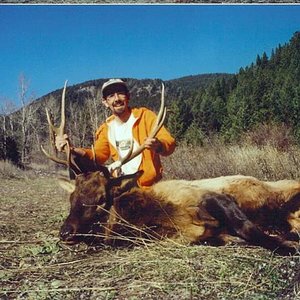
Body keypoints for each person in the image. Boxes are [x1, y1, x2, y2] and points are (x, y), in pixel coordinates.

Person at [56, 79, 176, 188]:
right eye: (111, 96)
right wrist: (72, 149)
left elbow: (169, 143)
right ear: (105, 102)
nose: (117, 99)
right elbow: (98, 155)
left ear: (128, 97)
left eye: (120, 93)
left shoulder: (146, 117)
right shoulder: (106, 129)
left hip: (149, 188)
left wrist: (159, 145)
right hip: (120, 187)